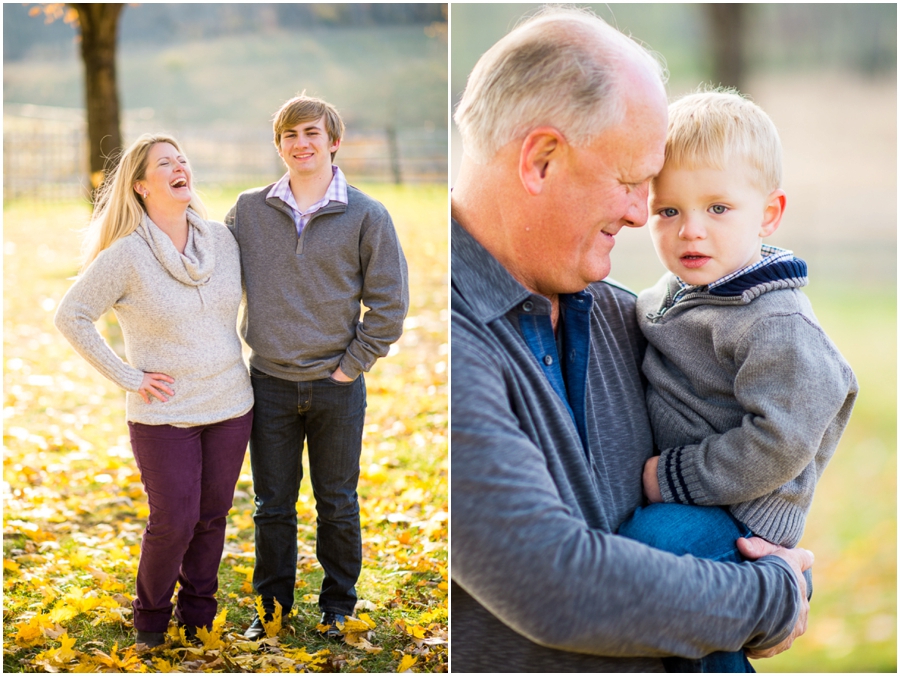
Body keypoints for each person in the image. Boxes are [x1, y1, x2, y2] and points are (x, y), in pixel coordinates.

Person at [451, 7, 814, 672]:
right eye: (630, 181)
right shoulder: (449, 342)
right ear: (542, 159)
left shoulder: (633, 319)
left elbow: (780, 434)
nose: (640, 212)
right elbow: (553, 584)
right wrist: (774, 594)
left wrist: (775, 562)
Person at [615, 89, 858, 672]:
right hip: (710, 501)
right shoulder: (680, 294)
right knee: (692, 622)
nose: (690, 231)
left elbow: (781, 438)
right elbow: (641, 312)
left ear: (768, 213)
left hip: (740, 512)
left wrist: (670, 477)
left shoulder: (776, 321)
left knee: (654, 549)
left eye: (718, 209)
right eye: (667, 211)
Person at [54, 134, 254, 649]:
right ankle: (150, 621)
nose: (179, 166)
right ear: (141, 186)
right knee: (175, 520)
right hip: (163, 413)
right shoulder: (126, 256)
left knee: (212, 517)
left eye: (182, 159)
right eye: (165, 163)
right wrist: (128, 375)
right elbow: (71, 315)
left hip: (232, 405)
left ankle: (198, 618)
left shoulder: (223, 240)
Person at [225, 95, 408, 640]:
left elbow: (389, 305)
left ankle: (338, 607)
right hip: (270, 383)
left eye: (310, 133)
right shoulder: (249, 210)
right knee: (271, 504)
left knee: (337, 501)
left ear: (333, 141)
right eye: (288, 135)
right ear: (278, 145)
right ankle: (273, 611)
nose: (300, 144)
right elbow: (209, 272)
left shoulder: (366, 214)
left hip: (337, 386)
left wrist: (350, 369)